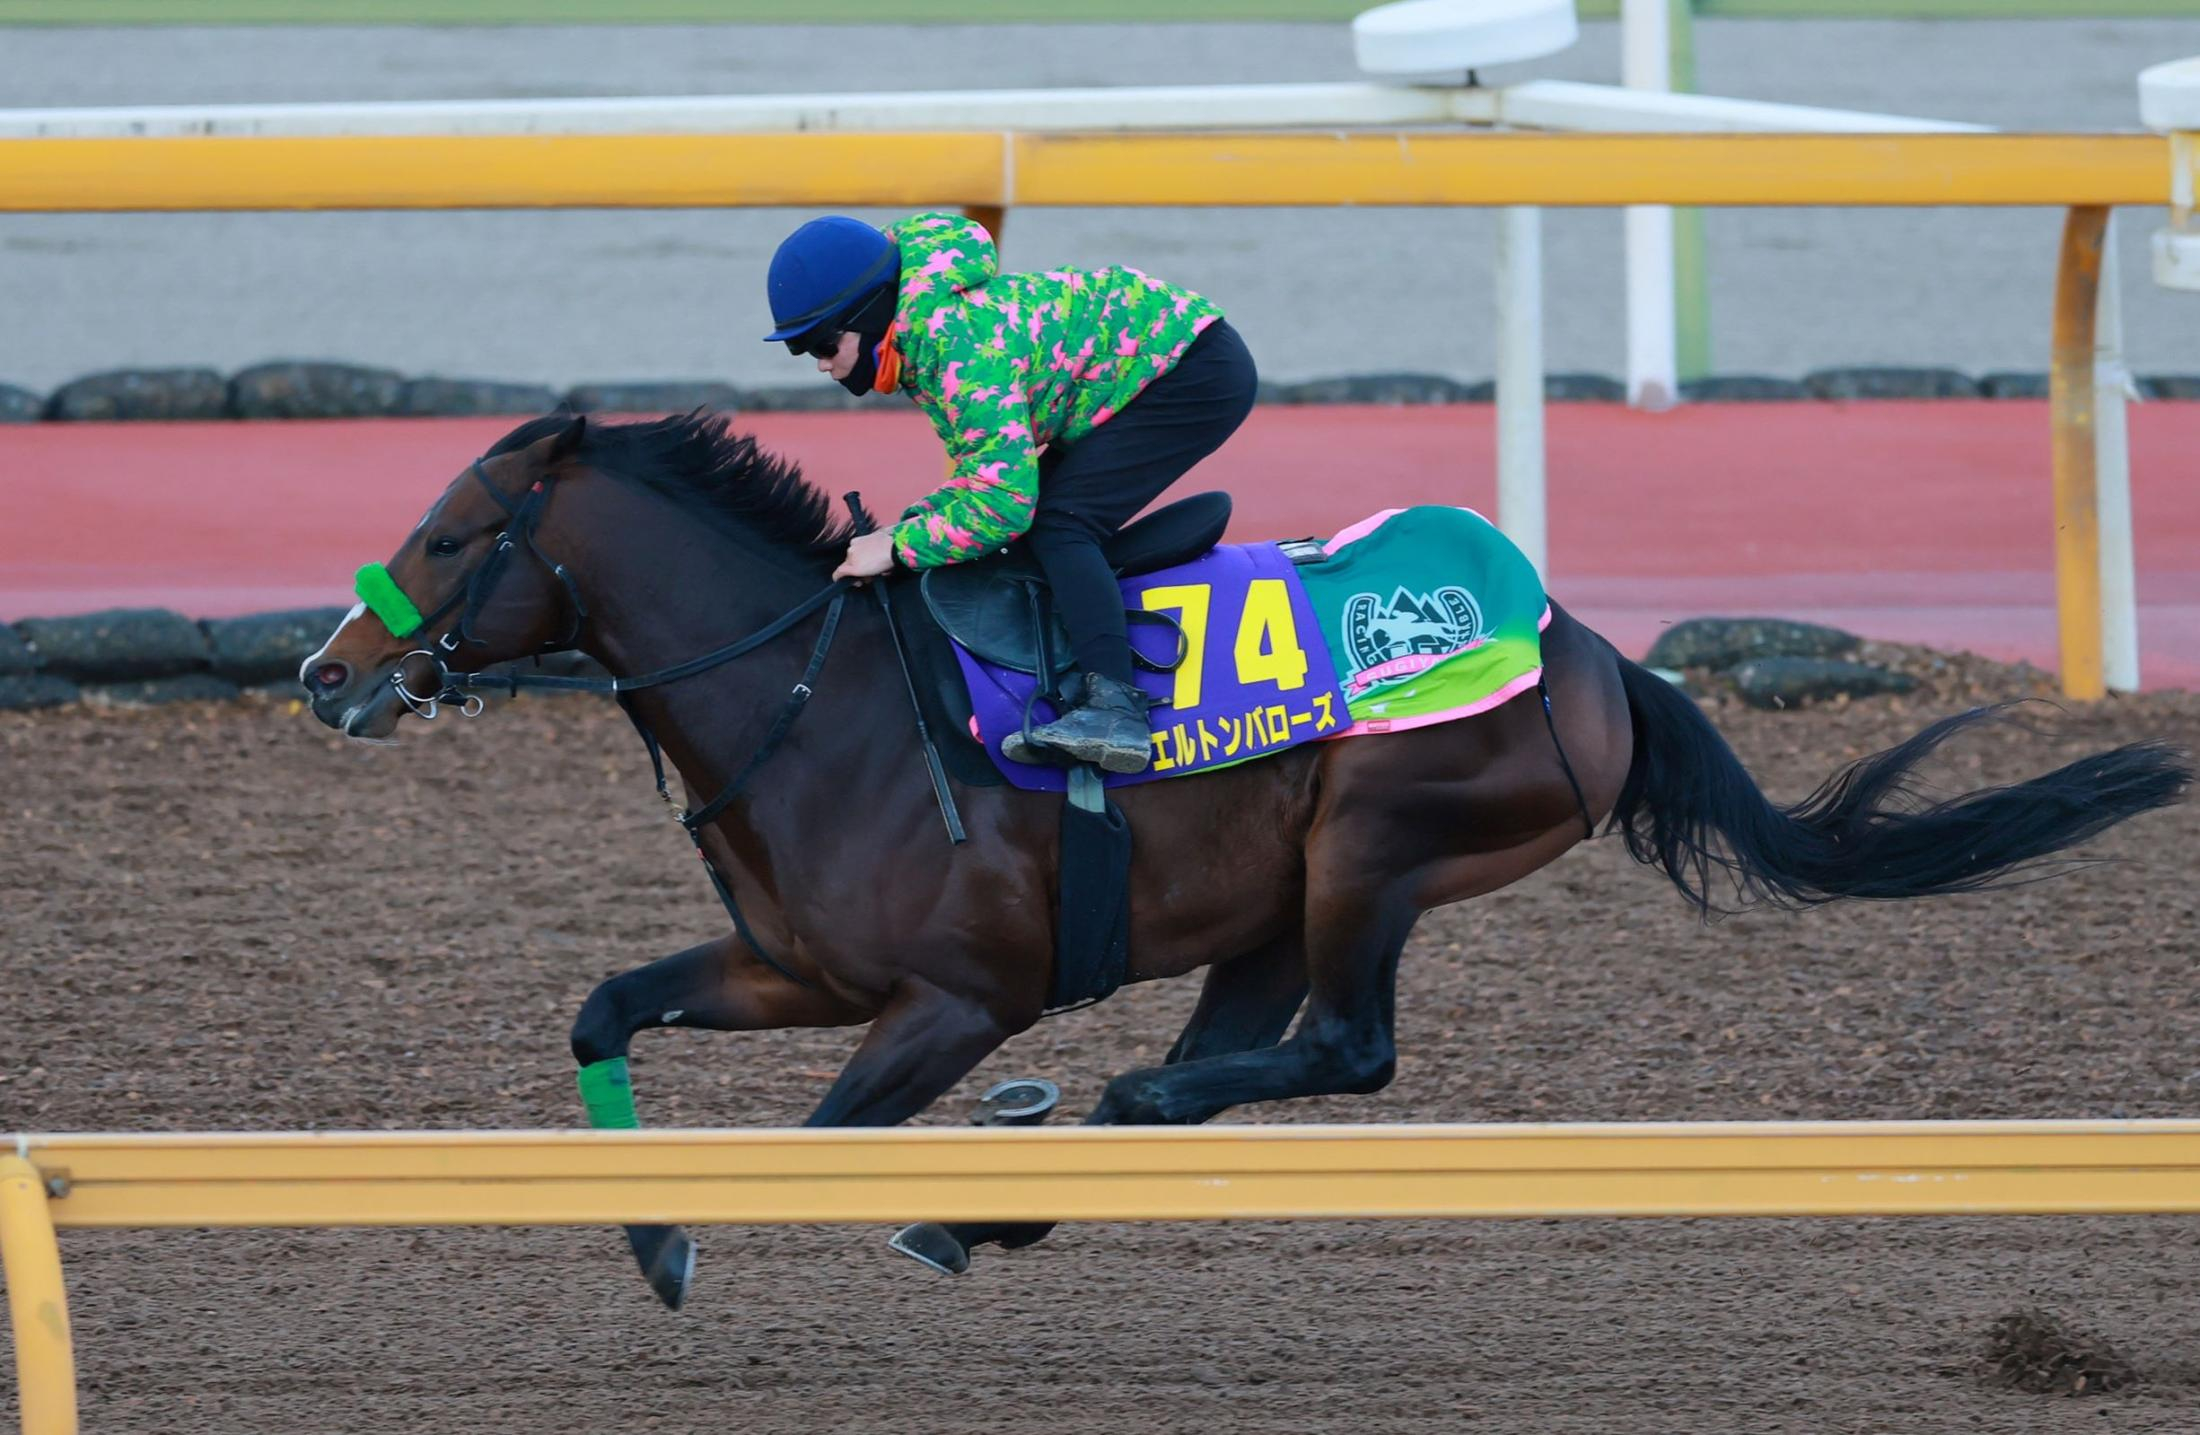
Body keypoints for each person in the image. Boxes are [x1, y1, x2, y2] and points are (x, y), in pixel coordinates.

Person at [764, 212, 1257, 775]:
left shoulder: (957, 351)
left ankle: (1116, 712)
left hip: (1194, 372)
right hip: (1146, 369)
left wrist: (898, 549)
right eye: (803, 351)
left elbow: (1003, 508)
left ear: (871, 317)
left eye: (823, 344)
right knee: (1044, 519)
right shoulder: (926, 333)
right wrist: (907, 529)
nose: (821, 365)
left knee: (1061, 525)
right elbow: (984, 477)